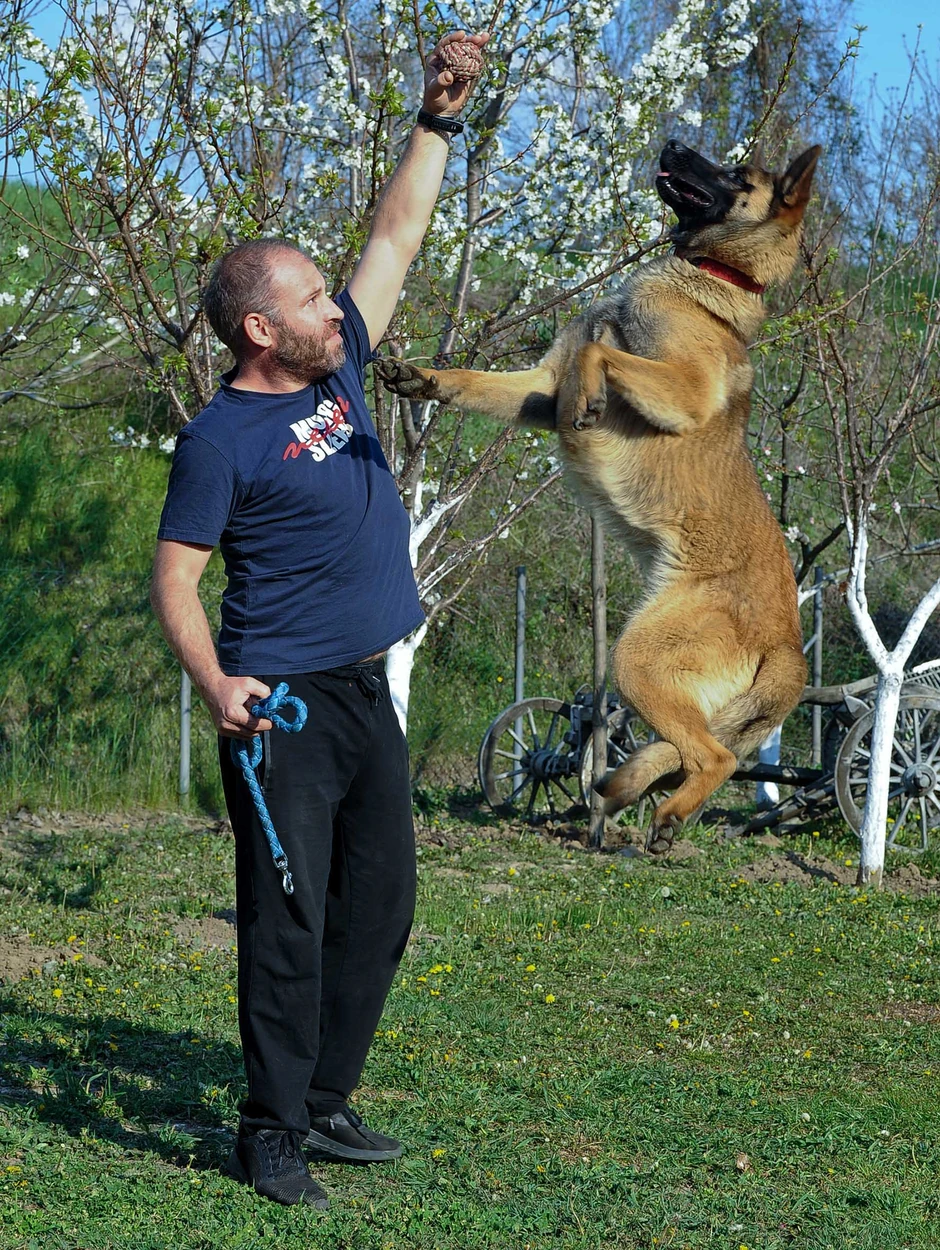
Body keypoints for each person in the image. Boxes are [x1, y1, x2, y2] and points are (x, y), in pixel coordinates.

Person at [150, 30, 488, 1209]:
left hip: (362, 685)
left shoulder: (337, 368)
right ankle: (269, 1124)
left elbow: (396, 234)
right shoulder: (219, 440)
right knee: (286, 922)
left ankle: (328, 1095)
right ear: (259, 330)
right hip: (279, 705)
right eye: (305, 298)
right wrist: (215, 687)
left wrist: (435, 118)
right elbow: (177, 579)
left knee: (380, 906)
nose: (331, 306)